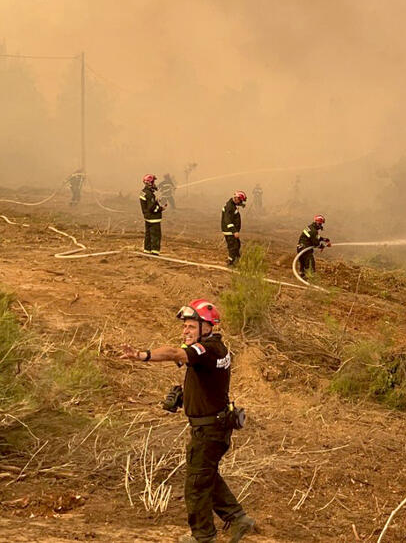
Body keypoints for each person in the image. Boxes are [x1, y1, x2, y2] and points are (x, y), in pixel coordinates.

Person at [119, 299, 255, 543]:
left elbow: (175, 353)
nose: (185, 331)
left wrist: (141, 355)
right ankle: (238, 518)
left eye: (191, 326)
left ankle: (203, 536)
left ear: (207, 326)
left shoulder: (207, 349)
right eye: (185, 326)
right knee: (206, 475)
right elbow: (185, 360)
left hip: (209, 430)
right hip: (214, 427)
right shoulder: (213, 348)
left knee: (196, 484)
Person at [139, 174, 165, 254]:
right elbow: (152, 208)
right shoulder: (150, 194)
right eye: (153, 182)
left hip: (148, 218)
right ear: (150, 183)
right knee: (155, 235)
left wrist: (156, 201)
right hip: (154, 218)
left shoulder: (143, 192)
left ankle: (147, 250)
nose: (154, 184)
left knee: (148, 234)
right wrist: (161, 208)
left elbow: (147, 205)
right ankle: (155, 251)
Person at [221, 191, 246, 266]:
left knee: (237, 245)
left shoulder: (232, 205)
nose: (240, 202)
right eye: (240, 200)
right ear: (237, 199)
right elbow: (228, 220)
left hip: (231, 231)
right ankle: (230, 263)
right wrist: (234, 231)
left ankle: (237, 260)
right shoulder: (230, 207)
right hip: (230, 231)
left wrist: (241, 204)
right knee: (233, 247)